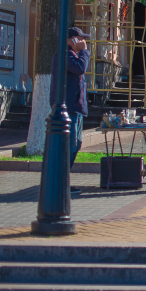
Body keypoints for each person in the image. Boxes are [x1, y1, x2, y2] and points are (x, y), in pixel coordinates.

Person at [49, 26, 91, 195]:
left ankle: (62, 180)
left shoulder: (72, 55)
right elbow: (80, 68)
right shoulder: (64, 55)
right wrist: (84, 52)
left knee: (76, 144)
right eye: (80, 38)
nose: (83, 42)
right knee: (69, 145)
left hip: (75, 107)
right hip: (67, 108)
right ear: (71, 40)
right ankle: (59, 182)